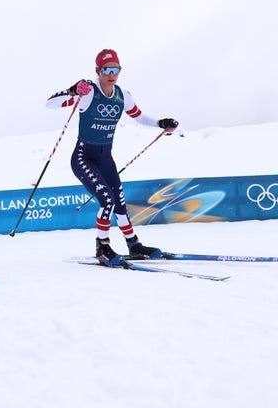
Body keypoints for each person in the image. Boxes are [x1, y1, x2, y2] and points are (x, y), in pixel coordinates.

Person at [46, 49, 179, 266]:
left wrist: (160, 123)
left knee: (120, 202)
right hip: (84, 157)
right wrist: (72, 91)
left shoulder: (122, 96)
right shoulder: (87, 92)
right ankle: (103, 247)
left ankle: (133, 245)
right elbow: (50, 103)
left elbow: (140, 116)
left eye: (115, 69)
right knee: (106, 200)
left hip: (105, 158)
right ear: (98, 71)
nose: (111, 74)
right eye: (106, 69)